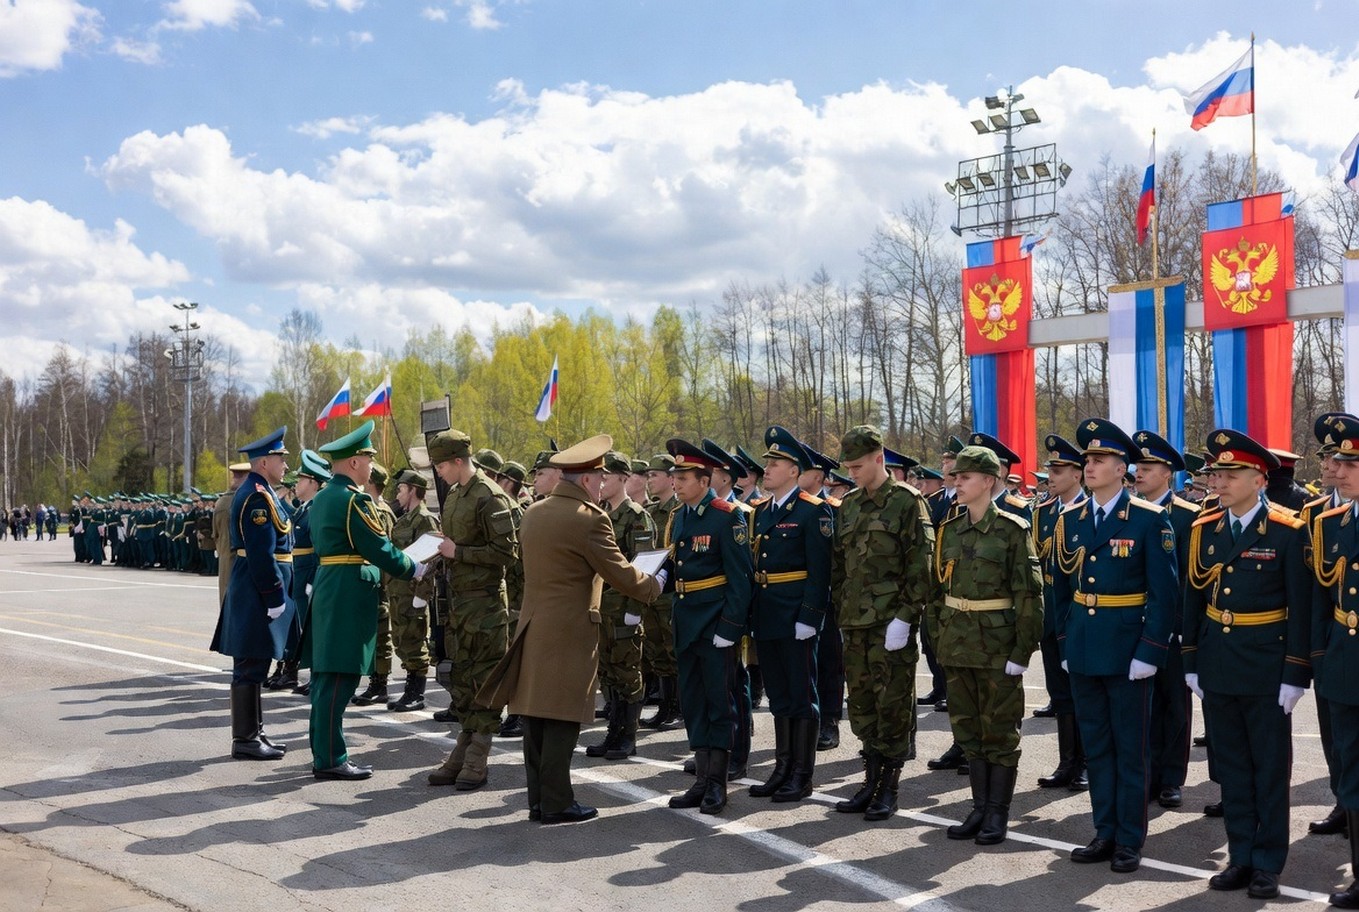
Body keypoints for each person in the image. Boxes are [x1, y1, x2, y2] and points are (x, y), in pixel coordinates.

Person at [479, 435, 663, 823]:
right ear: (586, 480)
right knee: (562, 717)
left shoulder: (535, 512)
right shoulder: (589, 519)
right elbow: (620, 573)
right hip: (570, 630)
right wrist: (655, 584)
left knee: (535, 716)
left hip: (533, 625)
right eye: (599, 479)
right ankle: (557, 802)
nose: (601, 485)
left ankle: (538, 800)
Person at [1181, 430, 1310, 901]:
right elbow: (1192, 600)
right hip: (1218, 661)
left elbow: (1302, 607)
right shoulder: (1204, 529)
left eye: (1231, 474)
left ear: (1259, 479)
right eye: (1217, 473)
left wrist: (1295, 672)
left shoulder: (1287, 530)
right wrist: (1190, 659)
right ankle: (1240, 856)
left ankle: (1268, 863)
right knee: (1232, 768)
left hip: (1266, 665)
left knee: (1269, 769)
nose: (1219, 481)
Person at [1052, 418, 1177, 875]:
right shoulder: (1070, 520)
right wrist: (1065, 643)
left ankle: (1128, 839)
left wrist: (1150, 651)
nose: (1089, 466)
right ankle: (1103, 831)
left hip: (1128, 652)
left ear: (1122, 468)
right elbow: (1061, 592)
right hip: (1085, 648)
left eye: (1100, 459)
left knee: (1130, 750)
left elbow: (1165, 595)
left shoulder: (1148, 519)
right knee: (1098, 748)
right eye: (1087, 459)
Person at [933, 445, 1042, 845]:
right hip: (957, 645)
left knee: (999, 733)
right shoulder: (949, 529)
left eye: (965, 477)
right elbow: (936, 592)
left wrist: (1022, 651)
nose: (957, 482)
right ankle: (978, 808)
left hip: (997, 647)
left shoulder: (1013, 530)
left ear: (988, 481)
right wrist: (939, 639)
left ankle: (997, 812)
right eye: (956, 476)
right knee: (968, 730)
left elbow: (1029, 595)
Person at [302, 420, 421, 780]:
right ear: (354, 462)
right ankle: (330, 758)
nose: (371, 465)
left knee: (326, 678)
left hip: (330, 586)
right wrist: (413, 567)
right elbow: (377, 547)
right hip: (347, 593)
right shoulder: (353, 500)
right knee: (340, 678)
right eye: (368, 458)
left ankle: (324, 752)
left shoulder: (323, 497)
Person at [831, 425, 937, 822]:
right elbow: (839, 564)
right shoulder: (849, 504)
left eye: (858, 466)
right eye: (848, 467)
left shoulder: (907, 502)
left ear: (879, 458)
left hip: (890, 623)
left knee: (892, 705)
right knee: (862, 705)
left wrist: (906, 617)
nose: (852, 473)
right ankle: (870, 780)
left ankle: (889, 787)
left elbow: (922, 565)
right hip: (855, 622)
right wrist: (840, 607)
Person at [662, 438, 753, 815]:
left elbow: (741, 579)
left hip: (714, 623)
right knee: (694, 702)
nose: (676, 483)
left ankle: (717, 782)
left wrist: (730, 628)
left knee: (719, 703)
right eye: (675, 477)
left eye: (683, 478)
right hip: (687, 621)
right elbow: (678, 568)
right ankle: (701, 779)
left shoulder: (726, 515)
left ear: (705, 480)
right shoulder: (681, 515)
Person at [425, 429, 517, 791]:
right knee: (462, 680)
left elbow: (507, 553)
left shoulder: (490, 497)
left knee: (485, 680)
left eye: (441, 465)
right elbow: (454, 543)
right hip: (458, 604)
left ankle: (477, 757)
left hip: (486, 606)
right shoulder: (455, 495)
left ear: (458, 460)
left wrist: (458, 552)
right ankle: (463, 749)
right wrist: (439, 548)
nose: (439, 472)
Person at [746, 425, 832, 804]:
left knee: (801, 695)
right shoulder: (761, 511)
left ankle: (801, 774)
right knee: (779, 696)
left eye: (775, 463)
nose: (767, 469)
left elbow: (821, 571)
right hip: (767, 615)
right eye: (767, 463)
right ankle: (782, 768)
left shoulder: (813, 511)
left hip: (796, 616)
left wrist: (810, 616)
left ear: (794, 470)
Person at [208, 427, 297, 762]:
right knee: (249, 665)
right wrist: (274, 596)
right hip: (256, 592)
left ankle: (254, 732)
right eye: (280, 459)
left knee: (256, 663)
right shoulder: (257, 497)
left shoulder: (261, 492)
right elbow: (261, 554)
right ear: (263, 463)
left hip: (254, 590)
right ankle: (245, 738)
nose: (285, 465)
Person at [1133, 429, 1200, 809]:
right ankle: (1148, 774)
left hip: (1173, 628)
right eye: (1138, 467)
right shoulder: (1131, 512)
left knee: (1174, 703)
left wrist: (1180, 627)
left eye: (1148, 467)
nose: (1139, 473)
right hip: (1135, 623)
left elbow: (1190, 580)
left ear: (1168, 473)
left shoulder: (1188, 517)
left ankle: (1171, 777)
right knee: (1143, 705)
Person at [1310, 413, 1359, 908]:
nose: (1337, 470)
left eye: (1350, 463)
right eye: (1335, 461)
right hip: (1346, 662)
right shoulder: (1331, 524)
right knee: (1353, 769)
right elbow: (1321, 601)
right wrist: (1321, 660)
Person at [584, 451, 657, 761]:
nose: (601, 483)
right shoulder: (600, 513)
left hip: (623, 607)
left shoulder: (636, 516)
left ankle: (628, 735)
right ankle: (613, 732)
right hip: (601, 608)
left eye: (607, 477)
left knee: (627, 672)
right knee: (607, 672)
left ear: (623, 478)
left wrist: (635, 609)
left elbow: (644, 566)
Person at [1032, 434, 1089, 789]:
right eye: (1050, 470)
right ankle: (1067, 762)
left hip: (1079, 617)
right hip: (1051, 616)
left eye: (1058, 470)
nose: (1050, 476)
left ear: (1077, 474)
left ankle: (1087, 763)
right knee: (1061, 694)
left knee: (1084, 694)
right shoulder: (1043, 512)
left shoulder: (1088, 510)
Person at [386, 469, 440, 712]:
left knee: (414, 641)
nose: (398, 494)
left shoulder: (425, 520)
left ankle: (416, 693)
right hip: (398, 591)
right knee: (401, 641)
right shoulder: (404, 520)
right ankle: (410, 688)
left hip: (412, 591)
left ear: (413, 490)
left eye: (401, 489)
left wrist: (422, 594)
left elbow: (432, 560)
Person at [640, 453, 682, 730]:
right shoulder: (651, 512)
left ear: (670, 478)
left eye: (654, 475)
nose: (649, 480)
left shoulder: (679, 511)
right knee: (657, 651)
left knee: (674, 650)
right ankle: (665, 707)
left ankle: (680, 708)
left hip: (672, 593)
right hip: (652, 592)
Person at [351, 463, 398, 707]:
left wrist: (381, 582)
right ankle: (374, 681)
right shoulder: (373, 507)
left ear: (370, 483)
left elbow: (384, 550)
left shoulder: (381, 511)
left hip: (379, 583)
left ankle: (380, 684)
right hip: (372, 581)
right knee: (371, 633)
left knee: (380, 635)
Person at [215, 463, 250, 605]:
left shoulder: (221, 502)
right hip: (239, 561)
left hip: (225, 559)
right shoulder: (243, 501)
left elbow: (216, 534)